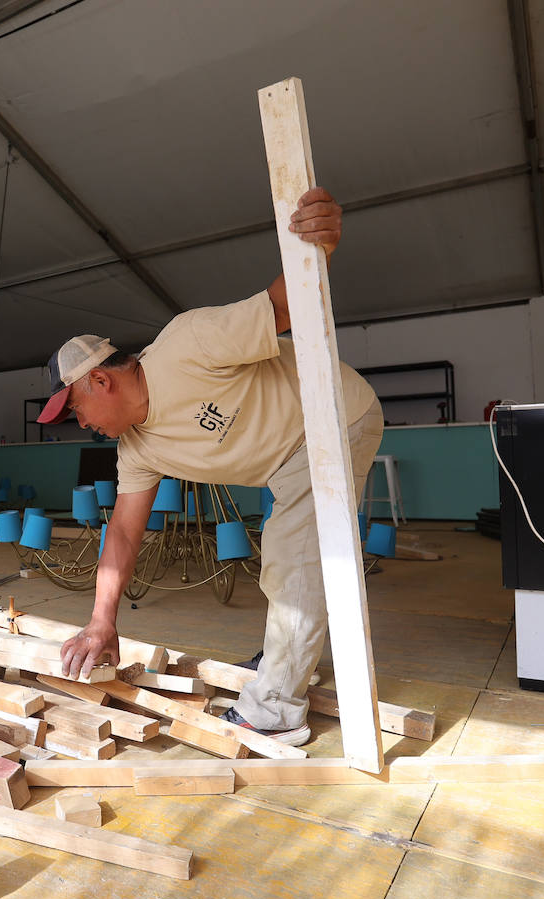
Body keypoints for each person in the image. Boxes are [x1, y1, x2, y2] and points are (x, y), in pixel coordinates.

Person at [40, 187, 382, 745]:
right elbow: (125, 531)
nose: (81, 425)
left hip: (334, 414)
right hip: (288, 452)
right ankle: (285, 659)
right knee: (288, 555)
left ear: (100, 380)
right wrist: (103, 620)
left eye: (75, 411)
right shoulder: (137, 448)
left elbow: (284, 306)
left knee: (292, 559)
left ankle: (273, 712)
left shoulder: (188, 343)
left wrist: (318, 244)